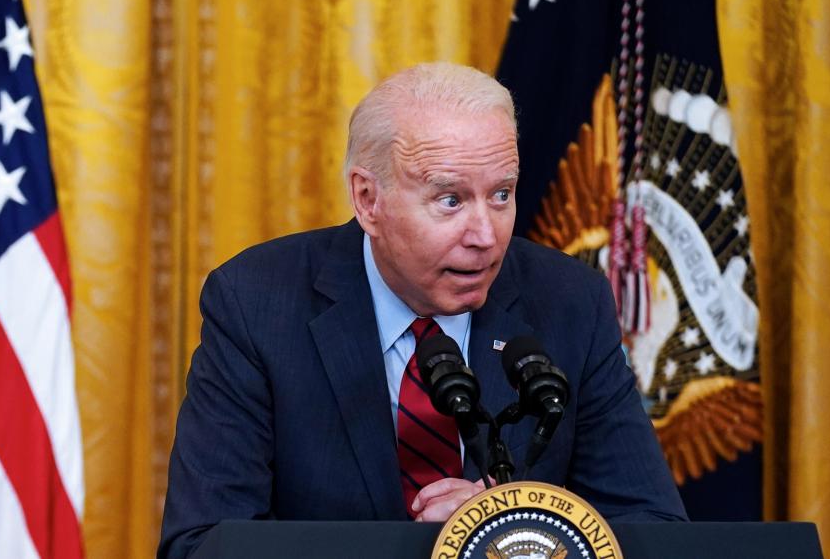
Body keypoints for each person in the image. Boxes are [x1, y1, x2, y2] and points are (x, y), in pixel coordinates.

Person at [158, 62, 686, 559]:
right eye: (450, 200)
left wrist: (512, 527)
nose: (485, 236)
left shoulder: (570, 302)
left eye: (501, 195)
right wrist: (423, 551)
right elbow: (204, 544)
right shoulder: (256, 303)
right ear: (368, 199)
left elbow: (655, 530)